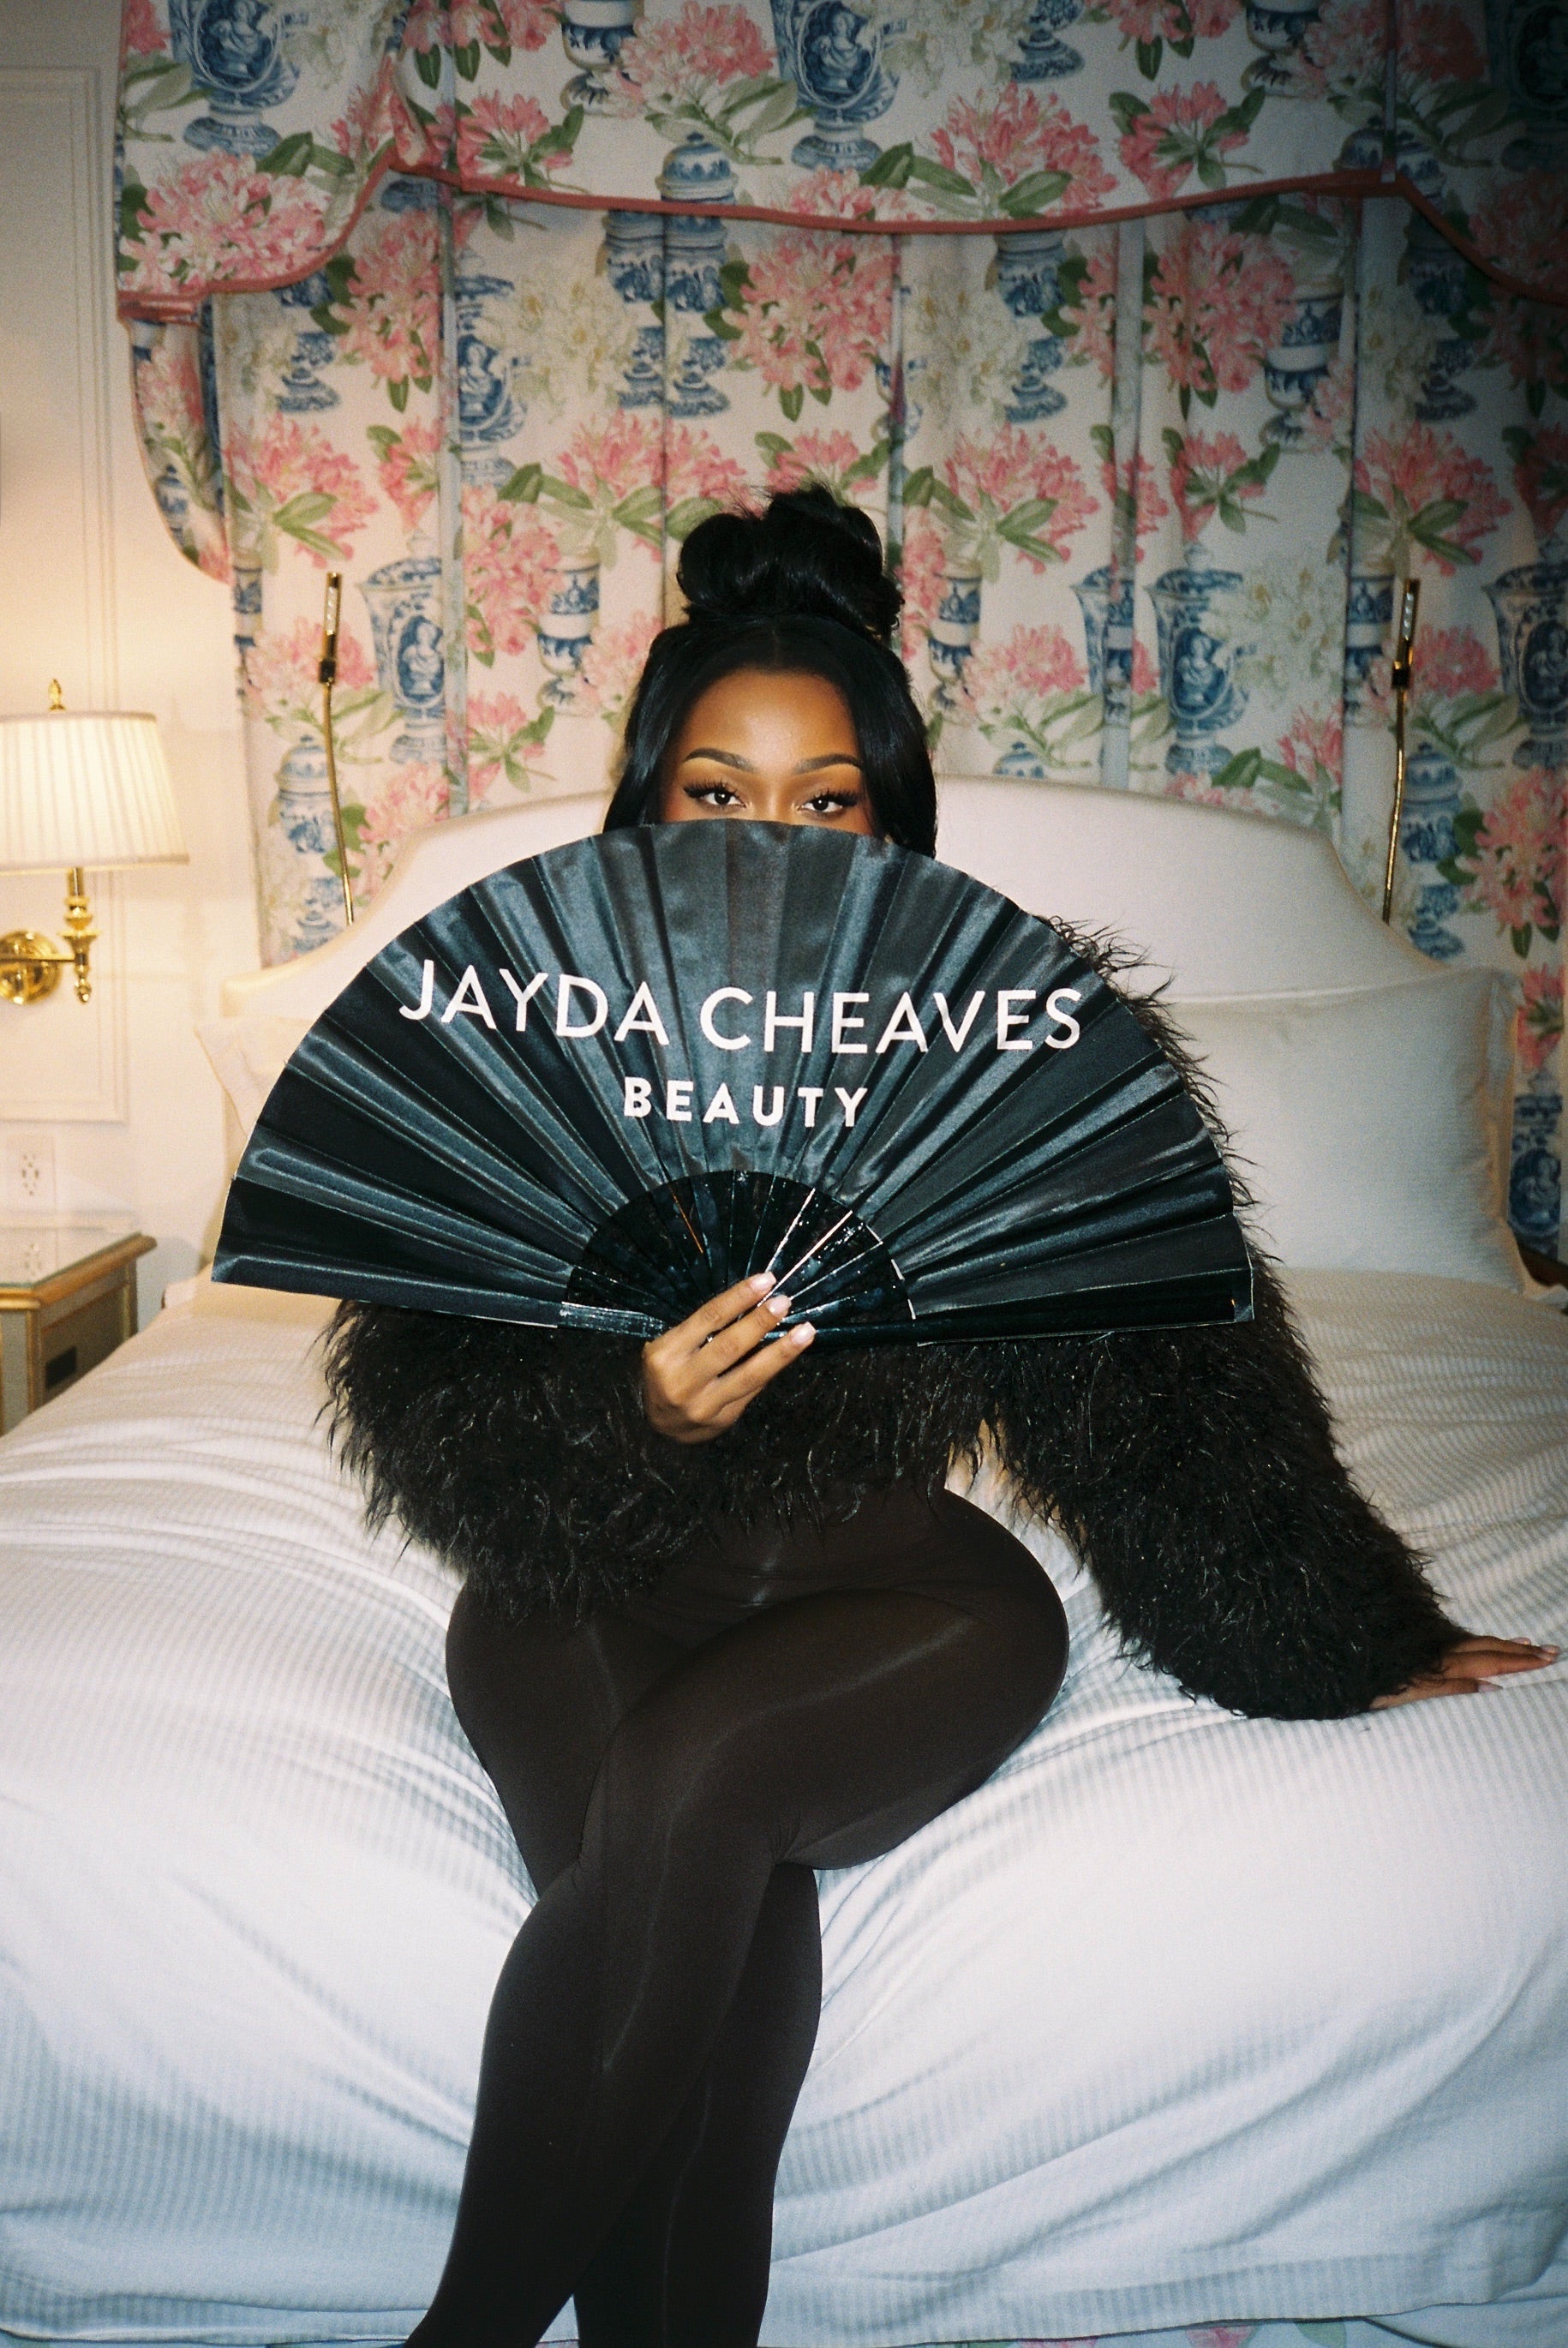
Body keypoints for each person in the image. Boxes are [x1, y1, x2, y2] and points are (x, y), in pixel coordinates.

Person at [321, 487, 1555, 2348]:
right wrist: (632, 1408)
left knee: (697, 1782)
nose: (774, 837)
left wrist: (1344, 1629)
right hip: (587, 1574)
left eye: (829, 799)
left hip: (899, 1592)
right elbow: (424, 1394)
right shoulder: (525, 1027)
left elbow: (1167, 1378)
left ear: (891, 826)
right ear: (650, 805)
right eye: (718, 792)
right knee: (694, 1874)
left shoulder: (1005, 1049)